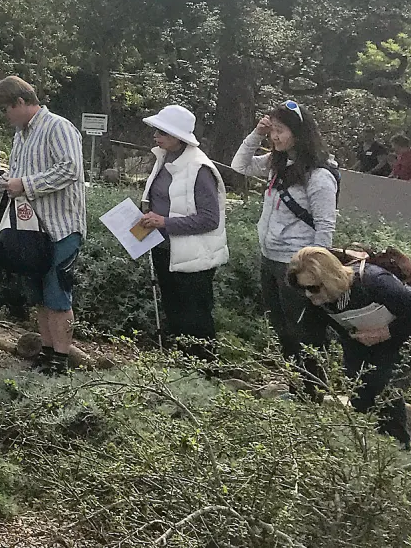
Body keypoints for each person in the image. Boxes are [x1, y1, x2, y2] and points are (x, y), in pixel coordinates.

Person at [0, 76, 86, 375]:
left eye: (5, 108)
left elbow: (69, 170)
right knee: (38, 294)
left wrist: (25, 184)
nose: (4, 115)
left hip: (60, 227)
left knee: (57, 294)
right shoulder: (20, 135)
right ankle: (47, 354)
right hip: (28, 231)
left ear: (20, 102)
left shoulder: (58, 127)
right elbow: (15, 177)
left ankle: (61, 361)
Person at [232, 100, 337, 384]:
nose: (275, 137)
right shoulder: (276, 163)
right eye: (272, 131)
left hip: (297, 263)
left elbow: (325, 225)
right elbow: (239, 165)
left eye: (281, 130)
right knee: (282, 326)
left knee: (305, 329)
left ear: (299, 132)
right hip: (270, 258)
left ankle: (313, 389)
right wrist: (256, 133)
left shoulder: (318, 175)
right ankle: (295, 382)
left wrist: (317, 270)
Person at [288, 246, 411, 446]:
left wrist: (386, 333)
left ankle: (399, 447)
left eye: (313, 288)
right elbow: (310, 342)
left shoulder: (375, 282)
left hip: (400, 340)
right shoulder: (318, 301)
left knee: (385, 390)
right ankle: (372, 449)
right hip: (358, 345)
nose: (309, 295)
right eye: (302, 289)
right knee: (359, 393)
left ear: (330, 277)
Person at [134, 104, 229, 358]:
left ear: (178, 136)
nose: (156, 136)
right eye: (156, 130)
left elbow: (210, 219)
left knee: (196, 321)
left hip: (194, 258)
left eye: (162, 132)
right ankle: (183, 370)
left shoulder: (200, 168)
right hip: (165, 249)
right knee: (175, 315)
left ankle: (205, 373)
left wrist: (164, 222)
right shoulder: (163, 158)